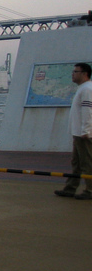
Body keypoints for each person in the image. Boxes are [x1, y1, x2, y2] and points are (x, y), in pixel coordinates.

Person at [55, 62, 92, 200]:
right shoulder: (83, 88)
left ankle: (90, 190)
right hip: (78, 133)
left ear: (84, 74)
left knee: (87, 162)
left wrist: (86, 130)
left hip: (84, 134)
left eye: (75, 72)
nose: (72, 74)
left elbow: (88, 111)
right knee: (76, 162)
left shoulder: (87, 89)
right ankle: (70, 188)